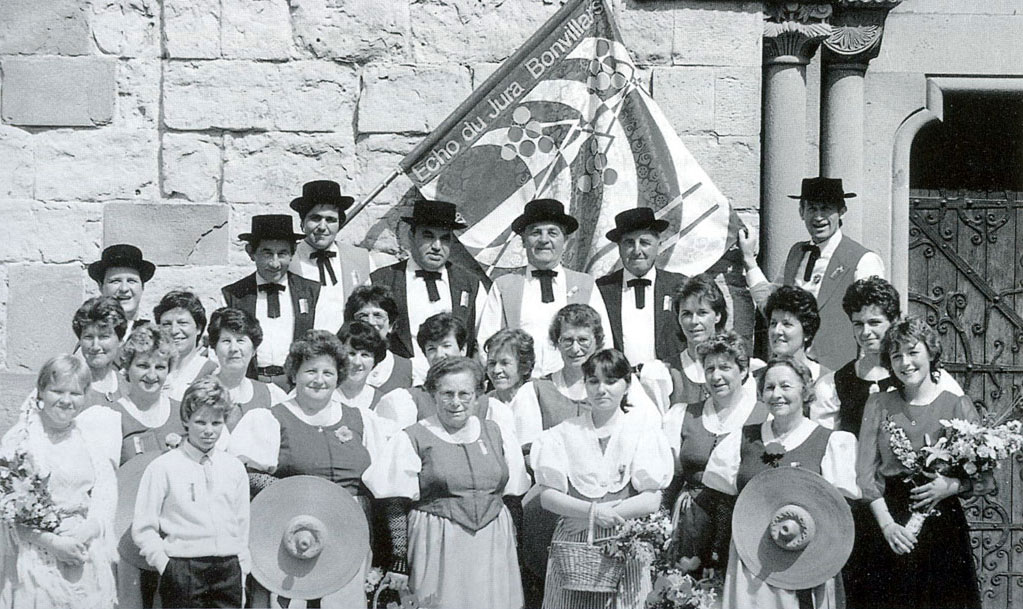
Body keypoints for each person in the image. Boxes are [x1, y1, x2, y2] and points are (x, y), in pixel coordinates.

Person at [229, 330, 393, 608]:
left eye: (328, 373)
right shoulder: (270, 419)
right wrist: (295, 492)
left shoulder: (363, 420)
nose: (319, 379)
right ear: (294, 374)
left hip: (348, 534)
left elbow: (384, 484)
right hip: (291, 532)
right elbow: (242, 474)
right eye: (310, 371)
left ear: (339, 376)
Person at [365, 357, 530, 609]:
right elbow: (395, 501)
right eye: (447, 394)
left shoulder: (497, 433)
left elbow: (513, 497)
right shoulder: (412, 437)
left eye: (464, 394)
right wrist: (399, 560)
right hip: (437, 540)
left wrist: (515, 548)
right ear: (433, 394)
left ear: (478, 394)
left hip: (493, 540)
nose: (456, 402)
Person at [702, 357, 860, 608]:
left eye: (786, 386)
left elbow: (840, 516)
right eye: (769, 387)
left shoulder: (829, 442)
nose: (777, 394)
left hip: (806, 564)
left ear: (805, 391)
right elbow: (721, 502)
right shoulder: (743, 440)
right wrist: (716, 554)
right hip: (752, 565)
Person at [855, 317, 981, 608]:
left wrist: (951, 486)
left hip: (942, 526)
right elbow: (865, 474)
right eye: (896, 356)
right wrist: (888, 526)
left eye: (913, 352)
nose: (906, 363)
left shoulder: (957, 405)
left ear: (931, 353)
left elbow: (983, 479)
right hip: (891, 521)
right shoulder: (878, 404)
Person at [531, 349, 672, 609]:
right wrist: (591, 512)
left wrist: (597, 516)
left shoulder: (642, 431)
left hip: (624, 539)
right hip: (574, 543)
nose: (601, 389)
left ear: (626, 384)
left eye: (611, 381)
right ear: (585, 384)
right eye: (593, 381)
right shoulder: (563, 433)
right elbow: (548, 497)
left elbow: (651, 499)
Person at [0, 354, 118, 609]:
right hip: (35, 556)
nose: (66, 400)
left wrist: (88, 530)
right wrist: (52, 543)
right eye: (57, 391)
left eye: (75, 393)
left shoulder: (90, 439)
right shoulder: (19, 441)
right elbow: (6, 510)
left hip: (82, 551)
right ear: (41, 391)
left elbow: (105, 495)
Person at [740, 177, 885, 369]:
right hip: (791, 371)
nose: (818, 217)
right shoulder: (796, 254)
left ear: (841, 211)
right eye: (812, 209)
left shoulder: (863, 260)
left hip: (839, 374)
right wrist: (749, 262)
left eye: (826, 209)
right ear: (801, 211)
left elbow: (874, 326)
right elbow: (770, 304)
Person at [132, 376, 250, 609]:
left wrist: (242, 572)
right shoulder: (164, 466)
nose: (209, 430)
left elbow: (241, 524)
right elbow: (144, 527)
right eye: (200, 422)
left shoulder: (234, 467)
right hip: (183, 570)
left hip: (228, 571)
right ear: (186, 420)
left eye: (216, 423)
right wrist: (166, 566)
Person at [662, 331, 768, 573]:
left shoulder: (764, 416)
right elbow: (670, 479)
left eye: (725, 367)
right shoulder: (683, 414)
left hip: (741, 523)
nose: (716, 376)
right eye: (709, 369)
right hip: (690, 525)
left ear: (743, 371)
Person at [477, 198, 614, 377]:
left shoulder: (585, 285)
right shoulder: (504, 286)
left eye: (552, 232)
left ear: (565, 241)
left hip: (573, 384)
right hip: (521, 385)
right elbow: (486, 343)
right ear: (524, 241)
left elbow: (604, 342)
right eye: (535, 232)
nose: (544, 240)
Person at [371, 199, 492, 384]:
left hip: (454, 386)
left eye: (444, 238)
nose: (437, 246)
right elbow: (367, 339)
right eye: (428, 236)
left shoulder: (470, 284)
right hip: (397, 385)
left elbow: (485, 341)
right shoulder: (381, 281)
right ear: (411, 237)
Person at [375, 313, 516, 436]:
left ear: (463, 349)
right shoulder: (408, 401)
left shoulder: (490, 407)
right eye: (431, 349)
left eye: (446, 346)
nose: (439, 355)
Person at [221, 214, 320, 390]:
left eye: (282, 254)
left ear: (292, 253)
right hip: (248, 385)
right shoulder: (233, 295)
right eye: (267, 253)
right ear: (251, 252)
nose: (275, 264)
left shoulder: (311, 291)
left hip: (295, 386)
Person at [596, 207, 687, 367]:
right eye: (629, 243)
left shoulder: (679, 285)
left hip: (670, 377)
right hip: (620, 379)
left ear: (659, 246)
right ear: (619, 247)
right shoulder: (601, 289)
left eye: (644, 243)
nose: (637, 251)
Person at [288, 179, 373, 333]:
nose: (322, 227)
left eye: (330, 220)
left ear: (339, 223)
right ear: (303, 222)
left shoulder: (361, 259)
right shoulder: (289, 259)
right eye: (315, 218)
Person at [668, 274, 762, 406]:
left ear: (718, 315)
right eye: (686, 314)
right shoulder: (667, 372)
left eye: (702, 313)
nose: (694, 321)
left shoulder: (748, 369)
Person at [207, 307, 288, 431]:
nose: (234, 348)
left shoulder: (273, 395)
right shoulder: (199, 392)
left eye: (240, 340)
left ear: (254, 349)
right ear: (215, 348)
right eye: (226, 341)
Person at [344, 285, 414, 396]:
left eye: (378, 315)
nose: (371, 322)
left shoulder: (408, 369)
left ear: (391, 325)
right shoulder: (339, 364)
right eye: (363, 316)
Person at [155, 290, 218, 402]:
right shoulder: (152, 369)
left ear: (198, 328)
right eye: (167, 324)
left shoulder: (212, 372)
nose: (174, 331)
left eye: (182, 323)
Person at [484, 328, 540, 449]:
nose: (496, 370)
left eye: (505, 363)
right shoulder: (485, 403)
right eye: (492, 363)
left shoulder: (536, 396)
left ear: (525, 367)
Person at [761, 285, 828, 383]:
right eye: (773, 323)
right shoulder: (756, 380)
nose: (777, 331)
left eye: (787, 324)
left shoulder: (828, 381)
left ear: (807, 332)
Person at [72, 296, 129, 407]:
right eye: (88, 337)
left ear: (120, 341)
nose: (95, 346)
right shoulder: (66, 385)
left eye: (104, 337)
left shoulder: (129, 387)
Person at [88, 243, 156, 330]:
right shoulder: (90, 335)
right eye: (115, 281)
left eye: (131, 281)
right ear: (101, 286)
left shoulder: (155, 336)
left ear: (142, 286)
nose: (124, 289)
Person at [336, 320, 388, 412]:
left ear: (375, 360)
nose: (357, 362)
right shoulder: (322, 395)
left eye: (365, 355)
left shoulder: (383, 402)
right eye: (351, 353)